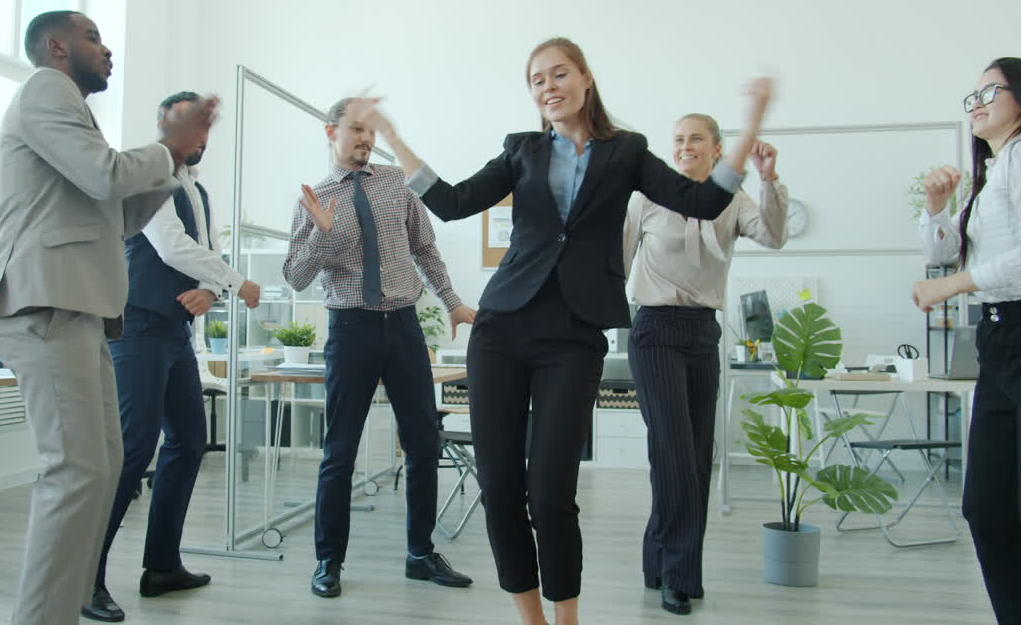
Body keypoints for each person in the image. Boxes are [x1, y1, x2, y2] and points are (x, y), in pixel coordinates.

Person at [349, 37, 774, 625]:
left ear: (584, 79)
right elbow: (450, 203)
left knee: (550, 493)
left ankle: (567, 617)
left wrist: (750, 123)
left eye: (558, 75)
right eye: (536, 80)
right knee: (499, 489)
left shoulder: (626, 151)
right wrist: (392, 135)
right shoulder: (521, 150)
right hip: (501, 330)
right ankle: (531, 618)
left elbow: (699, 201)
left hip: (573, 338)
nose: (547, 87)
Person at [0, 10, 215, 625]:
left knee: (103, 466)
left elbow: (116, 216)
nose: (106, 50)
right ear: (56, 48)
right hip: (43, 302)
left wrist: (176, 157)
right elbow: (105, 175)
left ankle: (65, 602)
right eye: (92, 38)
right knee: (78, 471)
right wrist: (166, 146)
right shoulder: (45, 89)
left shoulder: (75, 114)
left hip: (77, 308)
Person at [283, 97, 476, 600]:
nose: (366, 140)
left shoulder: (396, 184)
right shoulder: (314, 198)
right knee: (339, 452)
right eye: (356, 130)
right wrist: (323, 237)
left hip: (404, 327)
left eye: (371, 132)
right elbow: (296, 278)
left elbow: (425, 248)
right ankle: (328, 561)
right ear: (332, 132)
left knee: (423, 444)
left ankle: (419, 554)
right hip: (350, 331)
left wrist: (452, 302)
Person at [82, 91, 262, 622]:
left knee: (188, 438)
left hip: (175, 331)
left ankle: (161, 565)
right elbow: (169, 246)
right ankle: (84, 578)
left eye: (204, 125)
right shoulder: (150, 175)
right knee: (132, 451)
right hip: (136, 326)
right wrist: (234, 281)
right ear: (162, 125)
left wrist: (214, 291)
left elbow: (197, 253)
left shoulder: (196, 189)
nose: (199, 135)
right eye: (188, 124)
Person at [621, 115, 787, 615]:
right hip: (652, 331)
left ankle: (658, 562)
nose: (684, 146)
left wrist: (769, 179)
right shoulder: (646, 197)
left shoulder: (732, 199)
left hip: (701, 333)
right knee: (672, 451)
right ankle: (679, 574)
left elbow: (774, 236)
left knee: (693, 455)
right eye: (678, 139)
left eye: (695, 138)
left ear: (717, 150)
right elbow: (617, 260)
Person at [913, 57, 1021, 625]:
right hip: (1001, 342)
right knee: (989, 513)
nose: (976, 102)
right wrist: (937, 209)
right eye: (970, 95)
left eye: (990, 90)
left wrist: (954, 285)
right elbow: (944, 254)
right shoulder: (996, 169)